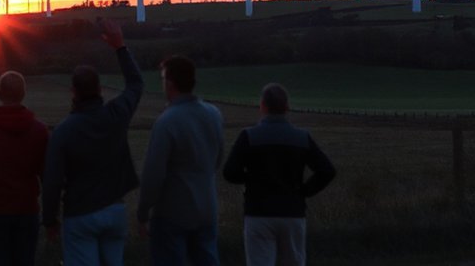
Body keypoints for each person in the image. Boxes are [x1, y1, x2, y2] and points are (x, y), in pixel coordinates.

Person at [42, 18, 143, 266]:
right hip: (114, 210)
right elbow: (136, 84)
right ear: (100, 89)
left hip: (80, 215)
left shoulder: (64, 132)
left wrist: (50, 219)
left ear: (73, 92)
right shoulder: (116, 114)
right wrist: (120, 48)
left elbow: (52, 180)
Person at [223, 83, 336, 266]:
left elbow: (229, 172)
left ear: (262, 106)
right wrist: (304, 191)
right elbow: (327, 171)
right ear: (287, 107)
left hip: (258, 214)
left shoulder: (249, 136)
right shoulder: (301, 137)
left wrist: (251, 180)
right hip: (292, 213)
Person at [137, 55, 224, 266]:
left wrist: (143, 211)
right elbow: (218, 157)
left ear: (170, 82)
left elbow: (153, 174)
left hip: (171, 214)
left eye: (163, 79)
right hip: (207, 209)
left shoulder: (167, 121)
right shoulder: (214, 114)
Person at [0, 71, 50, 266]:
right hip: (27, 210)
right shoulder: (39, 130)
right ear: (23, 93)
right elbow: (47, 175)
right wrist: (51, 217)